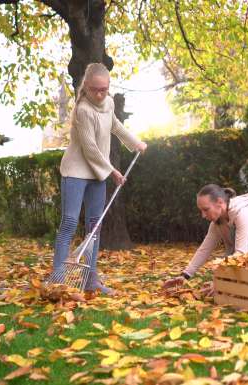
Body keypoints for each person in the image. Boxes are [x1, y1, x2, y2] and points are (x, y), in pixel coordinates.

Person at [52, 62, 146, 298]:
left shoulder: (109, 102)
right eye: (95, 89)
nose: (100, 94)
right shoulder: (82, 109)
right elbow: (90, 149)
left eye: (104, 89)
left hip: (97, 173)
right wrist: (112, 170)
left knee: (95, 226)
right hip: (76, 170)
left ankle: (90, 280)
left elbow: (115, 125)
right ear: (87, 87)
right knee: (70, 223)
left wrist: (135, 142)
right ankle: (58, 281)